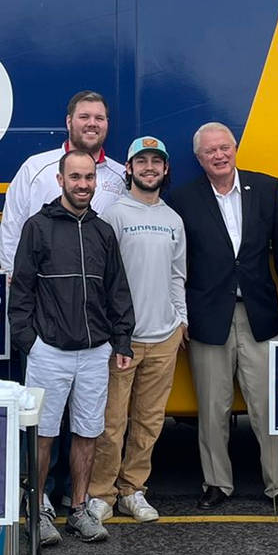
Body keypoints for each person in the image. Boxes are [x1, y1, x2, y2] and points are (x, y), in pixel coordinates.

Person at [167, 121, 278, 511]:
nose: (219, 155)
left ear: (235, 147)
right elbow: (178, 264)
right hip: (208, 316)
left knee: (268, 407)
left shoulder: (267, 188)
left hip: (259, 313)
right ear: (199, 158)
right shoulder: (184, 199)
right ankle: (216, 484)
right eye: (210, 151)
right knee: (212, 408)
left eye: (224, 147)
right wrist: (180, 314)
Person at [9, 148, 134, 546]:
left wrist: (122, 337)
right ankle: (39, 508)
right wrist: (30, 341)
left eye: (89, 178)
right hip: (49, 350)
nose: (83, 185)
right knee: (43, 435)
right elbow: (22, 292)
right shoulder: (37, 227)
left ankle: (78, 509)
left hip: (96, 351)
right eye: (75, 178)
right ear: (60, 180)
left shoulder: (102, 231)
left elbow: (117, 290)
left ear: (96, 181)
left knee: (87, 432)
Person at [88, 136, 187, 525]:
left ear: (164, 170)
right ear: (128, 168)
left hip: (164, 337)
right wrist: (113, 332)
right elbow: (102, 278)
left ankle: (133, 490)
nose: (149, 168)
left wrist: (181, 320)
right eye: (141, 161)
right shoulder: (114, 214)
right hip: (123, 339)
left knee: (149, 422)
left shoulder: (173, 219)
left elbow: (178, 275)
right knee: (111, 423)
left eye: (156, 162)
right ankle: (101, 494)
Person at [0, 91, 127, 268]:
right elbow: (11, 230)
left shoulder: (122, 176)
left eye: (99, 118)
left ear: (106, 124)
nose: (92, 123)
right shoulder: (35, 168)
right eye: (84, 117)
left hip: (99, 288)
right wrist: (14, 276)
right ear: (68, 122)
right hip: (44, 288)